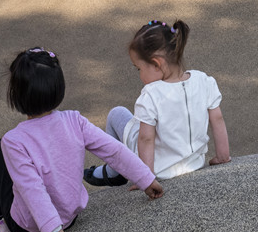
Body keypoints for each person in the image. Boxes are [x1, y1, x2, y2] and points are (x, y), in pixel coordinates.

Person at [0, 48, 163, 232]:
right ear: (59, 88)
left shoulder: (14, 141)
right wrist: (146, 178)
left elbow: (31, 188)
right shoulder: (75, 120)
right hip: (70, 216)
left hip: (30, 229)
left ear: (15, 95)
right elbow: (113, 150)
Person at [83, 20, 230, 188]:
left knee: (116, 114)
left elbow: (146, 138)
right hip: (194, 163)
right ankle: (115, 169)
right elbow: (217, 119)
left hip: (160, 170)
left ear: (156, 64)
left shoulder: (151, 95)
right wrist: (223, 156)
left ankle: (113, 171)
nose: (140, 75)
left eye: (139, 68)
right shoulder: (204, 81)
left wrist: (145, 178)